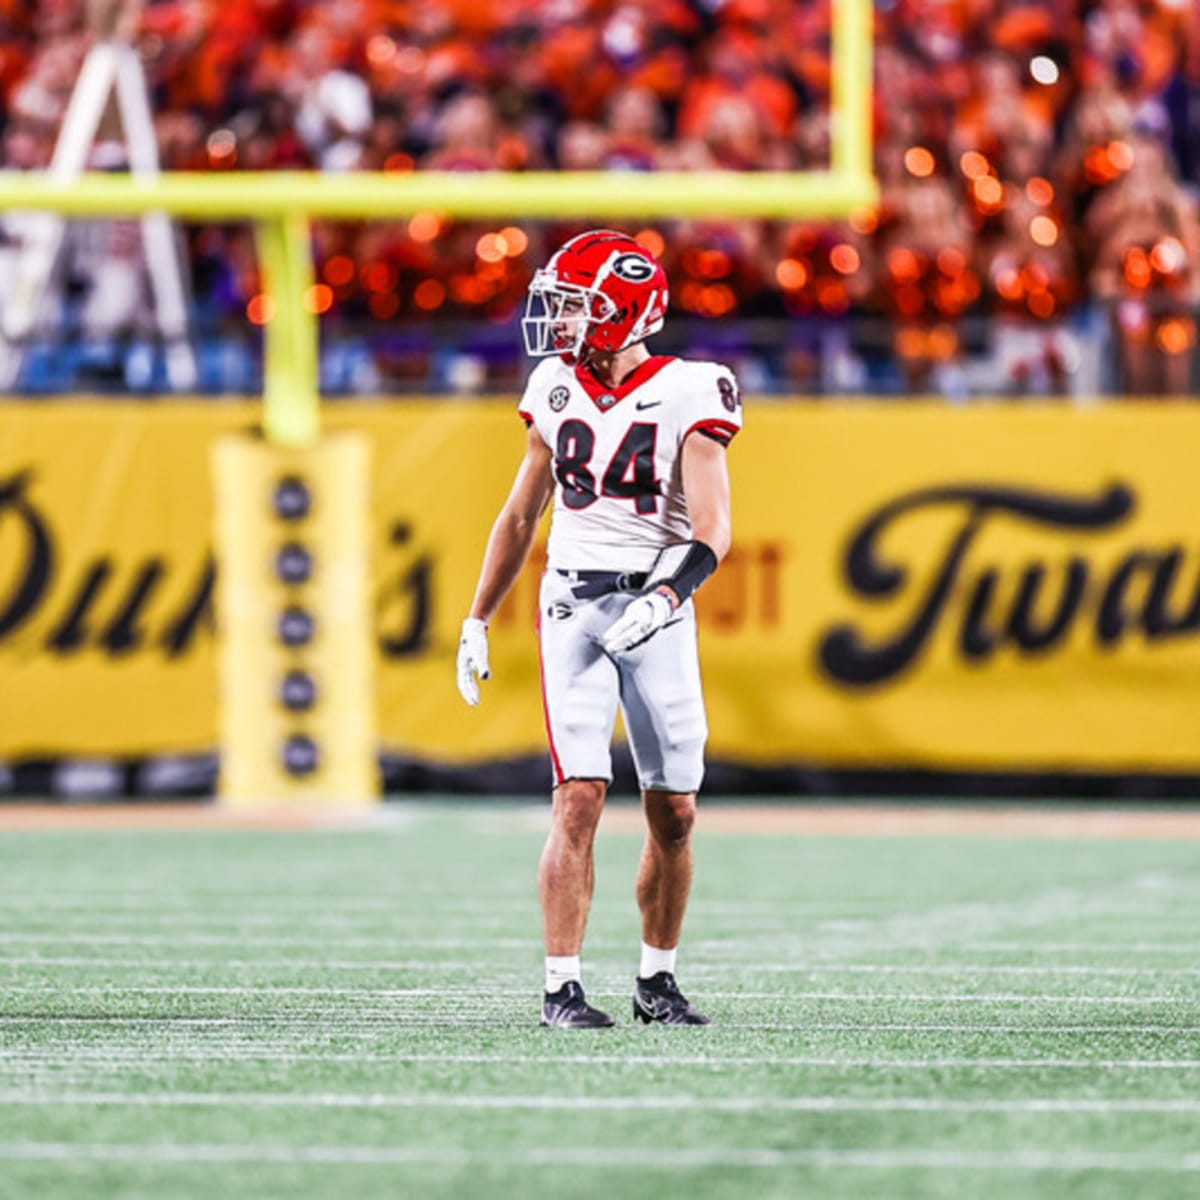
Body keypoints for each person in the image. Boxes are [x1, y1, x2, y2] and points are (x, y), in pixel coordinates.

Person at [455, 230, 742, 1028]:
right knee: (577, 796)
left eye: (579, 306)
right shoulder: (553, 382)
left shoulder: (693, 388)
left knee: (674, 811)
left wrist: (664, 596)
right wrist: (477, 616)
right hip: (572, 606)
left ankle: (657, 979)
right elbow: (521, 514)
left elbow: (712, 530)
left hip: (657, 608)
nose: (563, 322)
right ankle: (561, 989)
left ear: (626, 311)